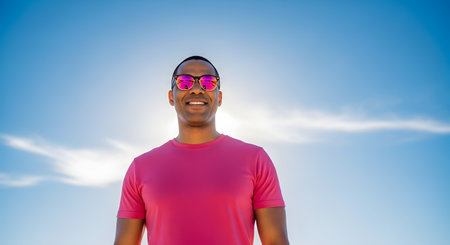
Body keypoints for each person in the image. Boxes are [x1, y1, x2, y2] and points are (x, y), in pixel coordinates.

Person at [114, 55, 289, 245]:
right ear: (171, 97)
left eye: (208, 82)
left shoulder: (256, 160)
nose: (197, 89)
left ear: (219, 97)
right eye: (185, 81)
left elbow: (276, 241)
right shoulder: (140, 168)